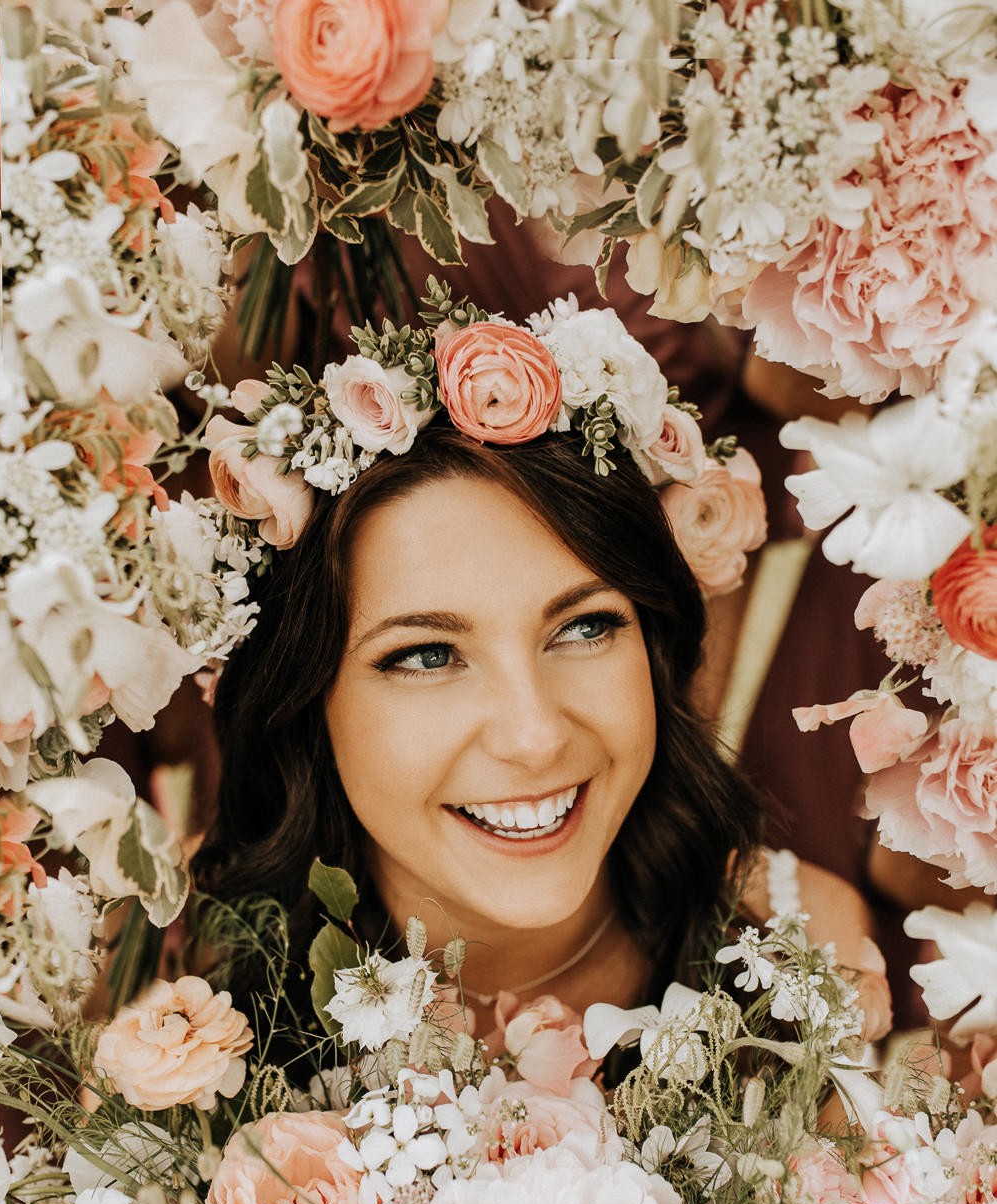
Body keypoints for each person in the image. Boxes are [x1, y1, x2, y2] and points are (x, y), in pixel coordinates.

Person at [193, 295, 892, 1045]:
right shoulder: (187, 994)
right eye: (428, 656)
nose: (534, 737)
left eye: (584, 628)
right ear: (303, 697)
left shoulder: (804, 949)